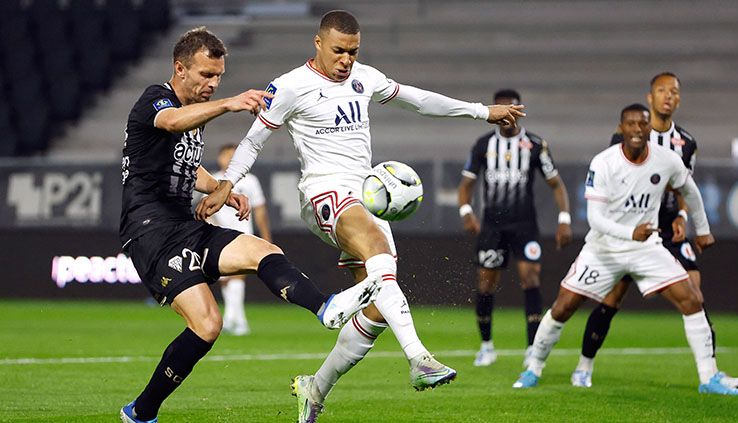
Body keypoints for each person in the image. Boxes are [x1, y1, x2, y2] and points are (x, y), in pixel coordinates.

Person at [196, 10, 526, 423]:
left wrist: (481, 111)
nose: (347, 59)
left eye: (353, 51)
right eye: (339, 51)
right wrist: (228, 182)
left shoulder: (364, 77)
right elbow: (253, 140)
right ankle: (420, 359)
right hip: (323, 192)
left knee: (376, 303)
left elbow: (419, 101)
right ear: (318, 44)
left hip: (365, 195)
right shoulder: (291, 86)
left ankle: (314, 389)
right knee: (378, 257)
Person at [118, 27, 381, 423]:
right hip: (149, 230)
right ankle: (142, 412)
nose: (213, 83)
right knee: (207, 324)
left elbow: (188, 166)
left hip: (184, 224)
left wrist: (224, 187)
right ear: (180, 68)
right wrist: (229, 103)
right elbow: (171, 122)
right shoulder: (156, 100)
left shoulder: (193, 115)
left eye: (219, 76)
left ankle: (325, 308)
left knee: (263, 252)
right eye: (206, 75)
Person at [511, 103, 738, 396]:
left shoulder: (667, 159)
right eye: (630, 124)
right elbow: (595, 219)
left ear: (649, 128)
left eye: (642, 124)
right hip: (604, 250)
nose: (636, 130)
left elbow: (690, 191)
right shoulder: (604, 163)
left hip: (646, 249)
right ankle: (534, 368)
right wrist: (630, 232)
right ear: (621, 128)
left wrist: (704, 229)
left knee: (692, 299)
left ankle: (708, 378)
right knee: (563, 307)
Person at [571, 73, 738, 390]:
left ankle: (711, 374)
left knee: (694, 294)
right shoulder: (627, 136)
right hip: (633, 229)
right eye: (662, 91)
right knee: (612, 299)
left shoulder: (687, 142)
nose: (668, 96)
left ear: (679, 99)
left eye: (674, 92)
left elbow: (685, 186)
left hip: (668, 228)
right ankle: (584, 366)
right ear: (650, 97)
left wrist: (682, 214)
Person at [458, 88, 571, 367]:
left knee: (530, 278)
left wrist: (564, 219)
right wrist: (466, 211)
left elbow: (556, 184)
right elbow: (466, 185)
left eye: (512, 109)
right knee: (486, 282)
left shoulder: (535, 145)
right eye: (501, 109)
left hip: (525, 226)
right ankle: (486, 346)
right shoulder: (483, 145)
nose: (506, 115)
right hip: (492, 227)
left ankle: (532, 347)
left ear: (520, 110)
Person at [209, 143, 273, 336]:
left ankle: (230, 319)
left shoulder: (250, 180)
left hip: (242, 232)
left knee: (238, 274)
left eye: (232, 155)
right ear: (219, 158)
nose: (228, 158)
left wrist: (266, 236)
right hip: (218, 234)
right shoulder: (212, 180)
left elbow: (260, 209)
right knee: (225, 279)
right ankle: (239, 321)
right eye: (225, 155)